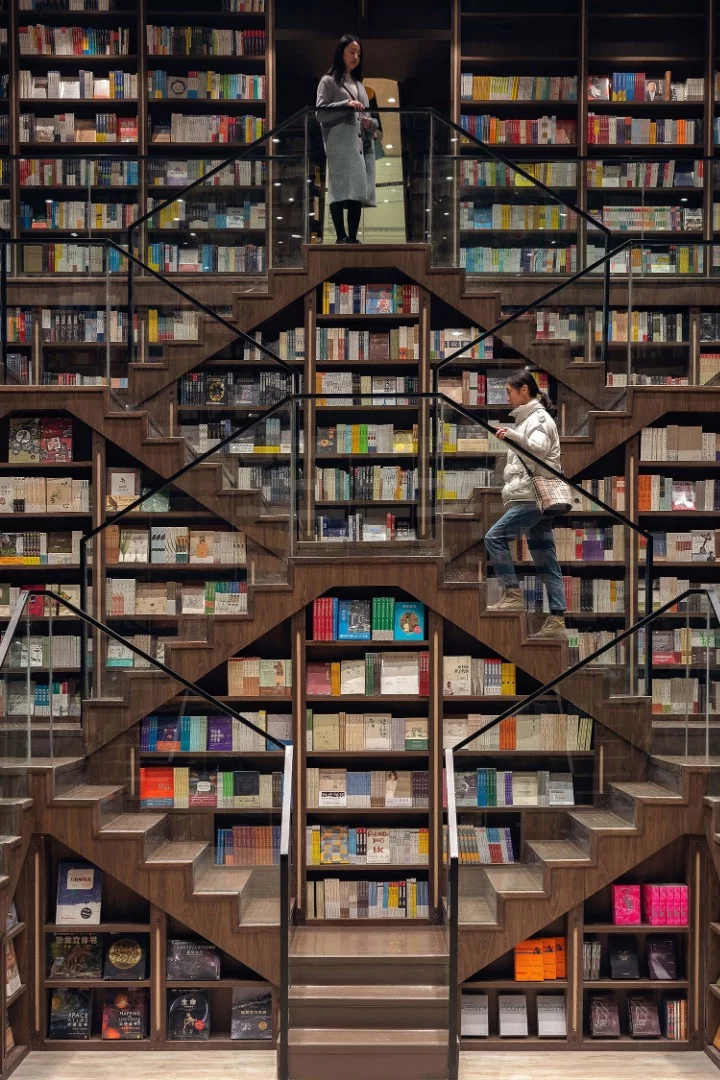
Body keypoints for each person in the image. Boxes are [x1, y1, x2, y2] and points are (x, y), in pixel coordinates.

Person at [483, 369, 567, 640]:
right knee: (545, 557)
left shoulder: (538, 418)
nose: (506, 396)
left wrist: (512, 436)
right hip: (533, 498)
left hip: (531, 497)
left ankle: (512, 593)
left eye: (509, 391)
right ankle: (557, 618)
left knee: (494, 537)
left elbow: (539, 449)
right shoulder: (529, 419)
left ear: (524, 390)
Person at [316, 34, 378, 244]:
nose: (355, 56)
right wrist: (345, 106)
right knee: (338, 190)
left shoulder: (360, 86)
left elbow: (369, 116)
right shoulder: (328, 81)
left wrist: (371, 124)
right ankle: (340, 237)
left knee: (356, 192)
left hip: (360, 145)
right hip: (339, 144)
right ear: (340, 52)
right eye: (351, 51)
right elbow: (320, 113)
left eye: (358, 53)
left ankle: (351, 237)